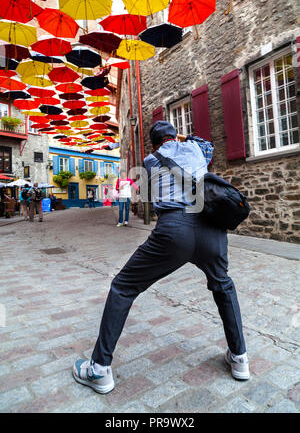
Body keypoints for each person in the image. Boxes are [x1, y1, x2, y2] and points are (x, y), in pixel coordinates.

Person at [73, 121, 249, 394]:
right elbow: (208, 147)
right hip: (212, 232)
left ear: (155, 143)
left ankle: (98, 369)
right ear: (174, 136)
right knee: (223, 285)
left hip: (174, 230)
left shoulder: (151, 159)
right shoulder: (196, 149)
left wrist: (165, 143)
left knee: (123, 287)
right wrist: (184, 136)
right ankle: (240, 359)